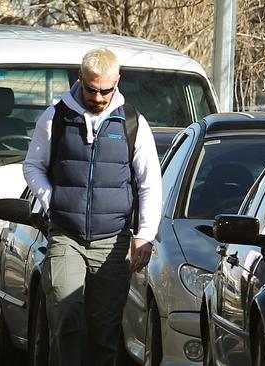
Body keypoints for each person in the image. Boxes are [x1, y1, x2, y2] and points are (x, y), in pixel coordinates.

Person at [23, 48, 162, 366]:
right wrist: (52, 200)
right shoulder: (56, 117)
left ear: (117, 82)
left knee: (104, 328)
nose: (99, 97)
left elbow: (149, 182)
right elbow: (33, 166)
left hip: (112, 241)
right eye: (91, 89)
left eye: (106, 90)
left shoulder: (132, 123)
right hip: (65, 237)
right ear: (80, 80)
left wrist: (145, 235)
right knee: (66, 313)